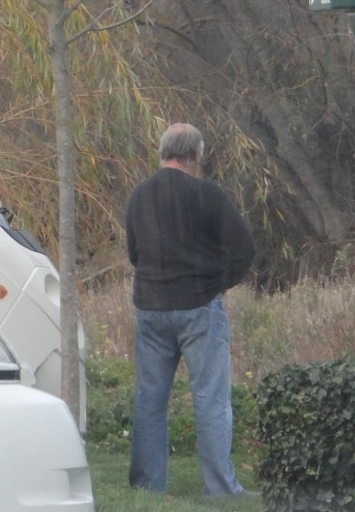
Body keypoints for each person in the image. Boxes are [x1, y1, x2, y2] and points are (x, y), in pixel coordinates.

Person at [125, 122, 256, 497]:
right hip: (199, 307)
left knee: (150, 400)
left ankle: (147, 487)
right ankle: (221, 488)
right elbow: (245, 248)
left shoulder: (139, 195)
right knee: (210, 398)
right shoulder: (208, 195)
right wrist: (221, 283)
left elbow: (134, 253)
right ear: (197, 155)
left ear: (162, 152)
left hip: (150, 306)